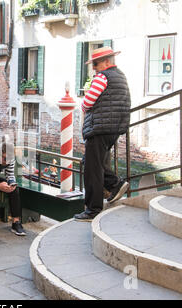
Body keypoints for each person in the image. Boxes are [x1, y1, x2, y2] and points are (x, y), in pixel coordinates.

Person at [74, 47, 131, 222]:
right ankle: (115, 184)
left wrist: (84, 106)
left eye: (96, 64)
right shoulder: (120, 76)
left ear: (107, 61)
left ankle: (92, 210)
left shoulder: (103, 77)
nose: (94, 68)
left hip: (99, 128)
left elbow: (87, 102)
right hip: (113, 128)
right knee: (91, 162)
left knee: (92, 169)